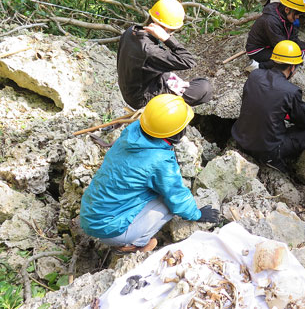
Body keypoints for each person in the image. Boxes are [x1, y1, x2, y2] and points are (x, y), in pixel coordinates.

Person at [80, 94, 220, 253]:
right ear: (175, 132)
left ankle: (127, 235)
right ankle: (134, 243)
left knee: (154, 189)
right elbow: (176, 196)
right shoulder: (159, 160)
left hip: (90, 213)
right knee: (167, 204)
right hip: (109, 229)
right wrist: (197, 214)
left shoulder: (131, 133)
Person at [232, 40, 305, 173]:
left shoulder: (254, 75)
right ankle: (276, 160)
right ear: (292, 67)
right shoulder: (291, 91)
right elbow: (304, 122)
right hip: (268, 150)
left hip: (241, 139)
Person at [117, 0, 213, 109]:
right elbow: (188, 61)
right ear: (166, 29)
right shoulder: (150, 51)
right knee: (204, 87)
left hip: (132, 88)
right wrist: (167, 38)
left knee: (174, 76)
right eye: (172, 31)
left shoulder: (131, 31)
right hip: (142, 99)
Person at [245, 0, 305, 71]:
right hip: (259, 50)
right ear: (287, 9)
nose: (298, 17)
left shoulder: (286, 16)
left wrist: (303, 52)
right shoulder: (271, 21)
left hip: (273, 44)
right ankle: (257, 66)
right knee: (287, 59)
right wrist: (300, 54)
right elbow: (281, 47)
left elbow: (293, 38)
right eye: (297, 14)